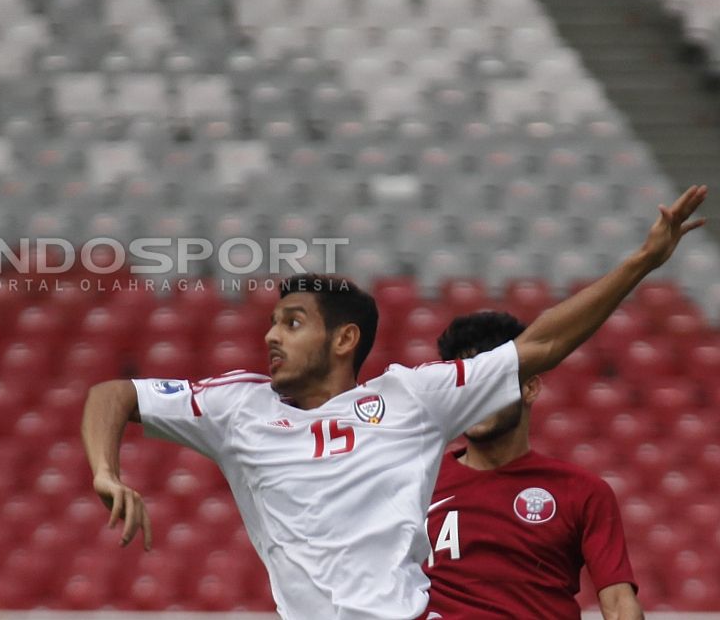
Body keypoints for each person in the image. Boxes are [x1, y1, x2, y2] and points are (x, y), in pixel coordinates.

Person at [81, 185, 706, 620]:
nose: (271, 335)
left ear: (344, 339)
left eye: (293, 323)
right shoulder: (233, 408)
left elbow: (540, 343)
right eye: (272, 323)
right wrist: (106, 472)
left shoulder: (411, 398)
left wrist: (641, 263)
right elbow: (112, 394)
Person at [424, 312, 642, 620]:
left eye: (487, 384)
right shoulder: (416, 484)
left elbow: (620, 605)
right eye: (463, 385)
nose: (472, 398)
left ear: (530, 387)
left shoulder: (583, 493)